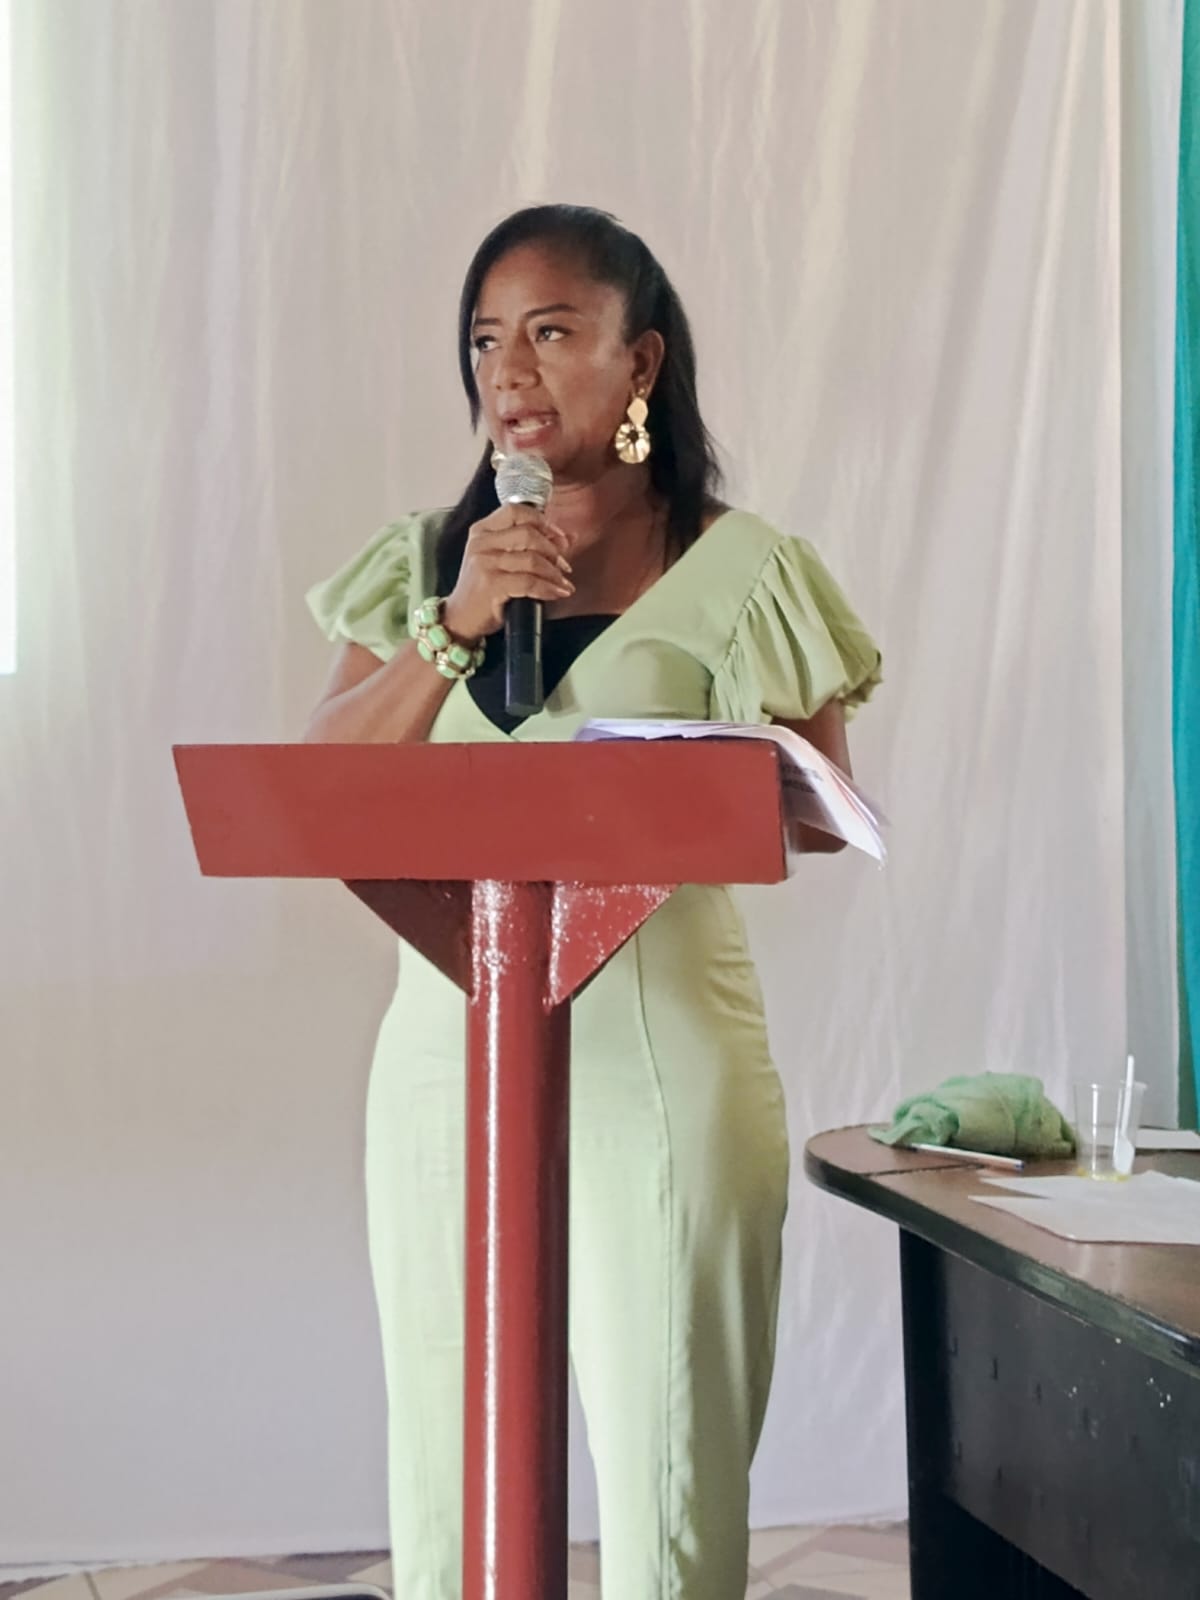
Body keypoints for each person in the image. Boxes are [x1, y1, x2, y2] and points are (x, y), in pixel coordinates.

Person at [304, 204, 881, 1600]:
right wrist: (454, 627)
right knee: (447, 1465)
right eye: (485, 339)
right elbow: (315, 790)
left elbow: (816, 812)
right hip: (446, 1045)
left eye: (553, 331)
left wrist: (694, 780)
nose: (510, 369)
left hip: (662, 1046)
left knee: (671, 1466)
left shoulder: (743, 570)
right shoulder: (426, 565)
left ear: (642, 362)